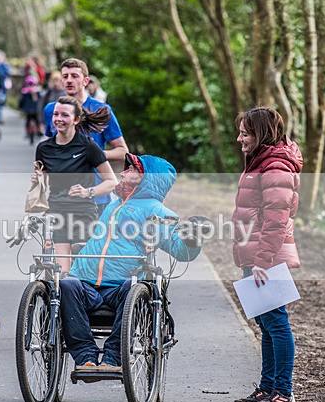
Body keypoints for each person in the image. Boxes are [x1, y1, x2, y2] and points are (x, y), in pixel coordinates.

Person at [61, 154, 202, 369]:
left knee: (132, 286)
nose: (123, 173)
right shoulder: (114, 205)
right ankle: (85, 357)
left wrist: (192, 238)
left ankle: (112, 357)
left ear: (147, 177)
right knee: (66, 284)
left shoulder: (157, 211)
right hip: (86, 282)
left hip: (121, 288)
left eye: (131, 170)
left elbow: (180, 251)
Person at [231, 107, 302, 402]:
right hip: (256, 255)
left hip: (266, 257)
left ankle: (284, 393)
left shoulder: (275, 167)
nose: (239, 139)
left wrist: (262, 260)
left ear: (260, 134)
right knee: (266, 322)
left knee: (276, 323)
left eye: (245, 134)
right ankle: (268, 387)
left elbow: (276, 220)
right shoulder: (260, 162)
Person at [33, 96, 117, 271]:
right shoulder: (44, 148)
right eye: (56, 114)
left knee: (80, 269)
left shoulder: (88, 146)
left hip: (83, 212)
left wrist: (88, 192)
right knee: (62, 272)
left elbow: (111, 182)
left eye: (65, 115)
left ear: (76, 119)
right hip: (56, 211)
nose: (59, 119)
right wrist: (38, 181)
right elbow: (44, 183)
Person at [42, 58, 129, 213]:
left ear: (85, 81)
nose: (69, 80)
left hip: (96, 195)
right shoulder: (51, 110)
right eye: (65, 76)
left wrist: (95, 155)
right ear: (61, 81)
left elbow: (123, 152)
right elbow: (52, 147)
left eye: (75, 76)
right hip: (62, 195)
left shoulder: (101, 110)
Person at [37, 71, 64, 136]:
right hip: (50, 122)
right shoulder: (48, 93)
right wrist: (41, 122)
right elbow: (41, 107)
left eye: (57, 80)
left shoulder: (65, 93)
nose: (56, 83)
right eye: (54, 81)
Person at [19, 75, 41, 144]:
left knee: (28, 121)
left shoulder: (25, 91)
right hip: (35, 110)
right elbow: (40, 100)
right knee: (36, 121)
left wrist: (20, 107)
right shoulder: (37, 91)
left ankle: (29, 131)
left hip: (28, 110)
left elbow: (21, 101)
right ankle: (38, 131)